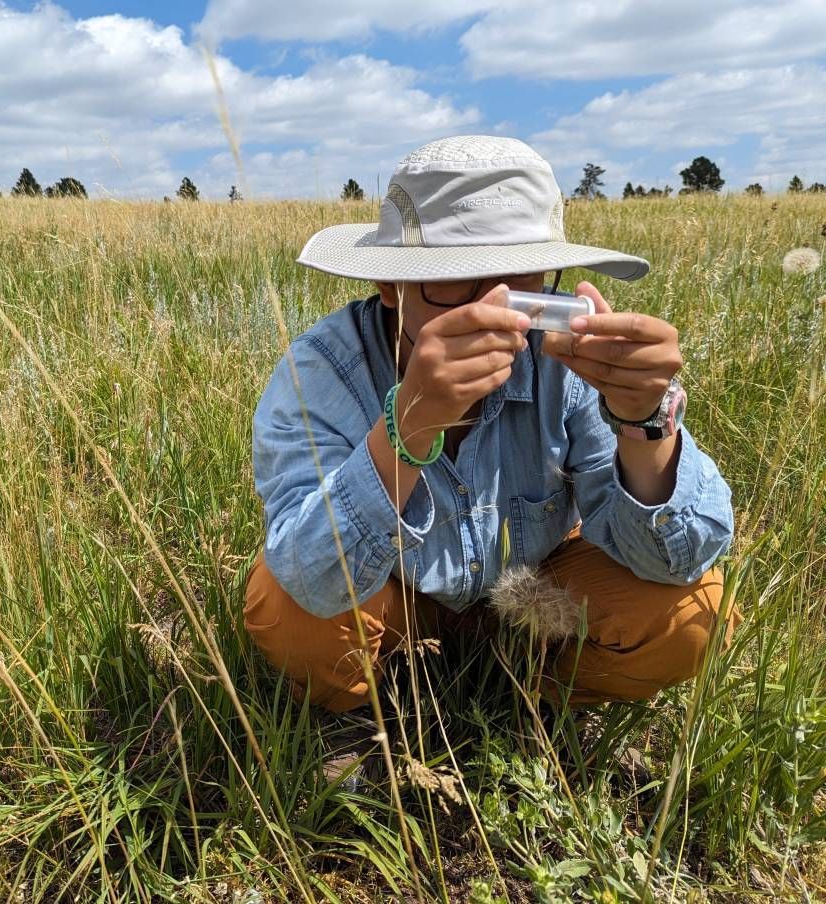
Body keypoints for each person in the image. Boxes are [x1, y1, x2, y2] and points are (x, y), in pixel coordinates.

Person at [244, 136, 738, 726]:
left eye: (523, 280)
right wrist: (411, 423)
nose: (499, 308)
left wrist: (642, 421)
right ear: (388, 286)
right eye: (456, 280)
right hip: (397, 602)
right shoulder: (320, 372)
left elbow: (676, 559)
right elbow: (309, 580)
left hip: (534, 595)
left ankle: (527, 704)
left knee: (694, 611)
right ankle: (378, 707)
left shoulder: (569, 362)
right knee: (288, 616)